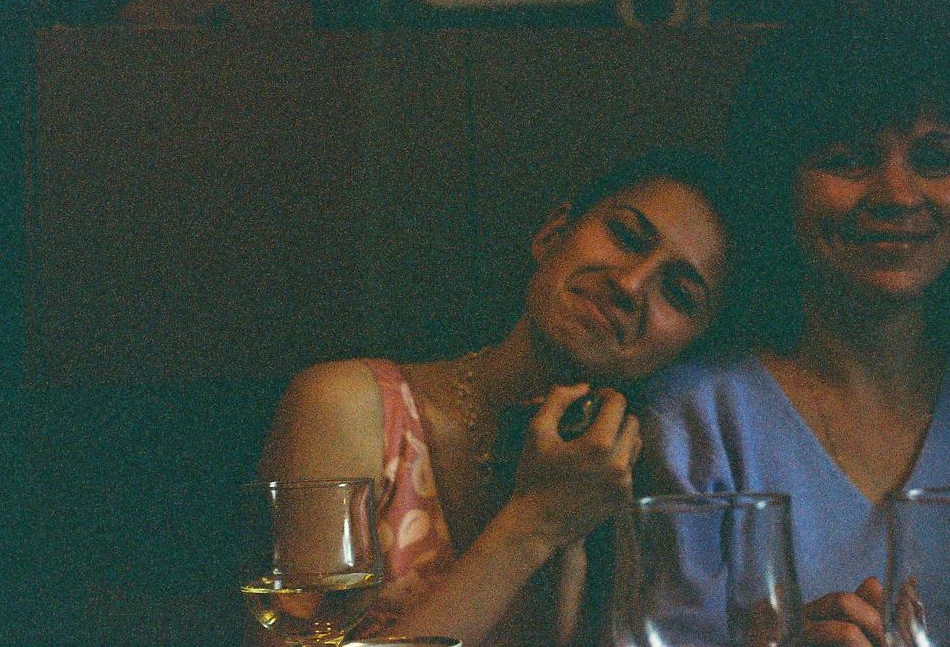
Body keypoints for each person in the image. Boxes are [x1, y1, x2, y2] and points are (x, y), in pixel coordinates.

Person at [637, 21, 950, 646]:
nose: (898, 195)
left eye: (933, 159)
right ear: (777, 182)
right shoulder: (699, 413)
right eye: (849, 161)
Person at [258, 149, 740, 646]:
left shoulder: (659, 481)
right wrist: (535, 523)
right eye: (626, 236)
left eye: (678, 294)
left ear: (689, 349)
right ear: (553, 233)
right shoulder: (350, 407)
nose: (629, 283)